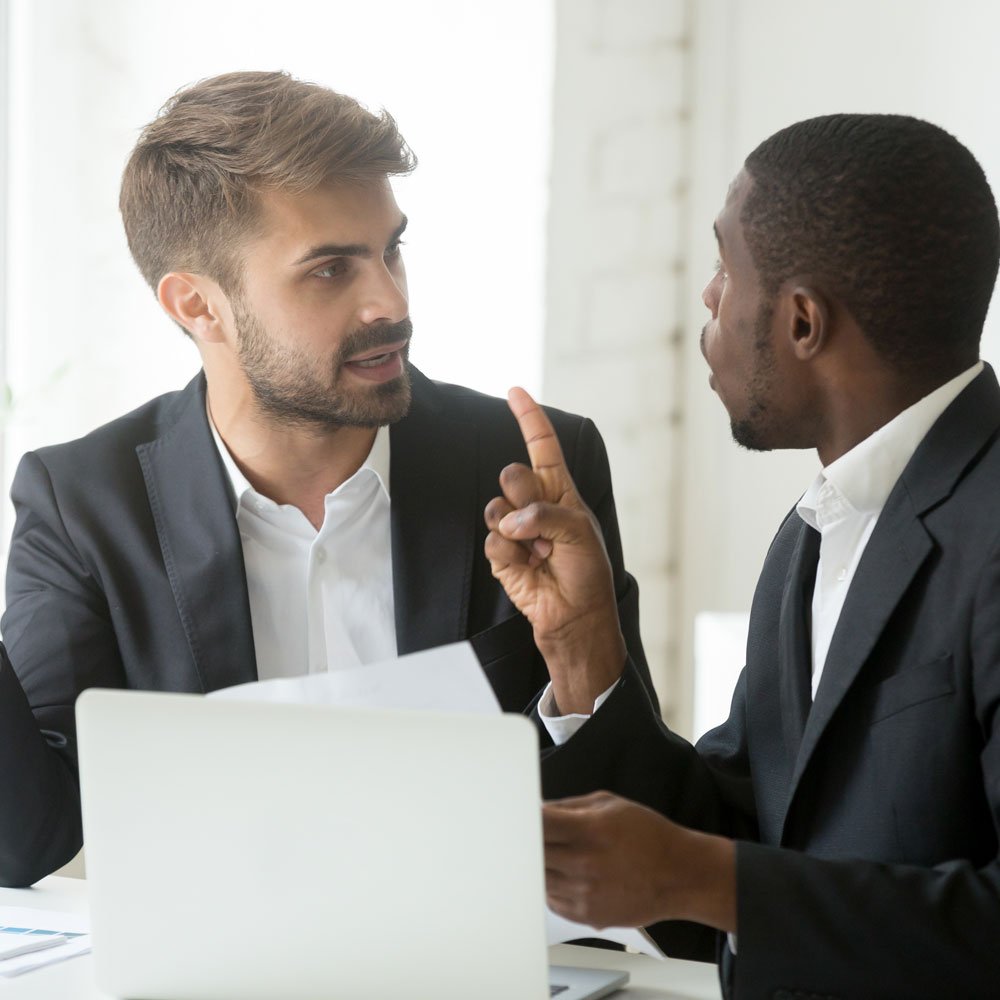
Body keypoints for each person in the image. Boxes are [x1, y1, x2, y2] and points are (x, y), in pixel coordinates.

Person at [0, 70, 652, 888]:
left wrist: (579, 656)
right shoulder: (85, 504)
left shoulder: (530, 464)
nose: (389, 300)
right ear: (198, 307)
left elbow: (637, 820)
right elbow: (29, 843)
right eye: (330, 270)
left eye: (391, 250)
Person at [486, 113, 1000, 998]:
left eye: (726, 267)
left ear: (802, 322)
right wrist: (582, 651)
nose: (709, 298)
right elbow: (739, 848)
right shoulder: (813, 534)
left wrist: (707, 879)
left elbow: (721, 881)